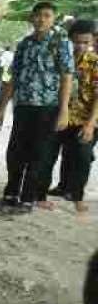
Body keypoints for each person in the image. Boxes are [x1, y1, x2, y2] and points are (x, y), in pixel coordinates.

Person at [0, 1, 75, 213]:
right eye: (38, 15)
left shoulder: (62, 43)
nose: (41, 19)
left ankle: (28, 198)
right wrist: (2, 106)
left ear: (53, 19)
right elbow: (14, 76)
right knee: (15, 152)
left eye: (46, 16)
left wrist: (64, 110)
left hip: (47, 108)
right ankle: (11, 193)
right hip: (23, 106)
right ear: (32, 18)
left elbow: (67, 77)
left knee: (38, 155)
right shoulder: (25, 44)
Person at [39, 19, 98, 212]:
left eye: (85, 42)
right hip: (56, 117)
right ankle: (40, 194)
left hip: (84, 119)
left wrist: (90, 124)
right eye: (77, 41)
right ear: (69, 40)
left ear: (92, 42)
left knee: (82, 155)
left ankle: (76, 195)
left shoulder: (95, 63)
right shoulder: (58, 59)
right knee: (46, 156)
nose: (80, 46)